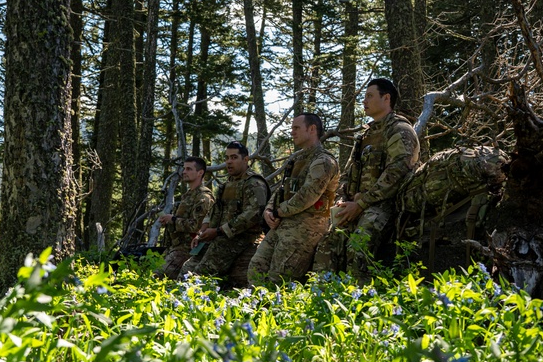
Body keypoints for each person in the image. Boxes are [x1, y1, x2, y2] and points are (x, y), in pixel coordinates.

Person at [311, 78, 420, 278]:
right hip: (355, 205)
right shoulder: (365, 136)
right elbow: (348, 172)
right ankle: (322, 299)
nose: (364, 101)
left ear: (386, 98)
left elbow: (396, 174)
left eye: (370, 96)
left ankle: (360, 299)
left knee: (358, 245)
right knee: (327, 245)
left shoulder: (400, 131)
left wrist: (362, 203)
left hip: (386, 205)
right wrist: (343, 200)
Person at [247, 113, 340, 286]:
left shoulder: (324, 161)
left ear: (312, 129)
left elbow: (307, 196)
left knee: (280, 279)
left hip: (306, 229)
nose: (292, 132)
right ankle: (257, 310)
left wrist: (278, 212)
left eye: (296, 128)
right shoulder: (296, 159)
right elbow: (281, 189)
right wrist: (268, 210)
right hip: (282, 225)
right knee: (255, 268)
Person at [180, 141, 269, 279]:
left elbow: (253, 214)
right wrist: (202, 233)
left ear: (245, 160)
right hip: (219, 236)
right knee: (187, 270)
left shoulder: (254, 183)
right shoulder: (227, 184)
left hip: (241, 238)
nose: (229, 162)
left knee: (200, 275)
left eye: (234, 158)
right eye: (226, 158)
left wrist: (219, 231)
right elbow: (214, 211)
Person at [155, 157, 215, 279]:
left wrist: (173, 220)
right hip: (176, 247)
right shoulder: (189, 195)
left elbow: (197, 227)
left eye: (188, 169)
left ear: (200, 173)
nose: (184, 172)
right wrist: (169, 221)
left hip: (189, 249)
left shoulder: (203, 197)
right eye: (184, 168)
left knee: (159, 277)